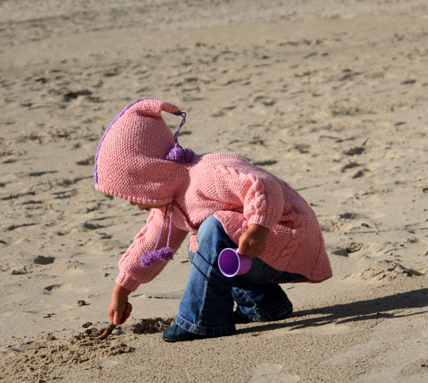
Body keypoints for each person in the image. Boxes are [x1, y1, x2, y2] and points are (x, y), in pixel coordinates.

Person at [94, 99, 332, 342]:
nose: (131, 201)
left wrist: (259, 228)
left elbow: (265, 186)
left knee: (213, 230)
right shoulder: (171, 203)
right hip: (260, 256)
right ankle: (263, 304)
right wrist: (122, 290)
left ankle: (201, 320)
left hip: (290, 235)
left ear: (151, 174)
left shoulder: (207, 173)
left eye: (132, 191)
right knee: (201, 244)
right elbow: (149, 244)